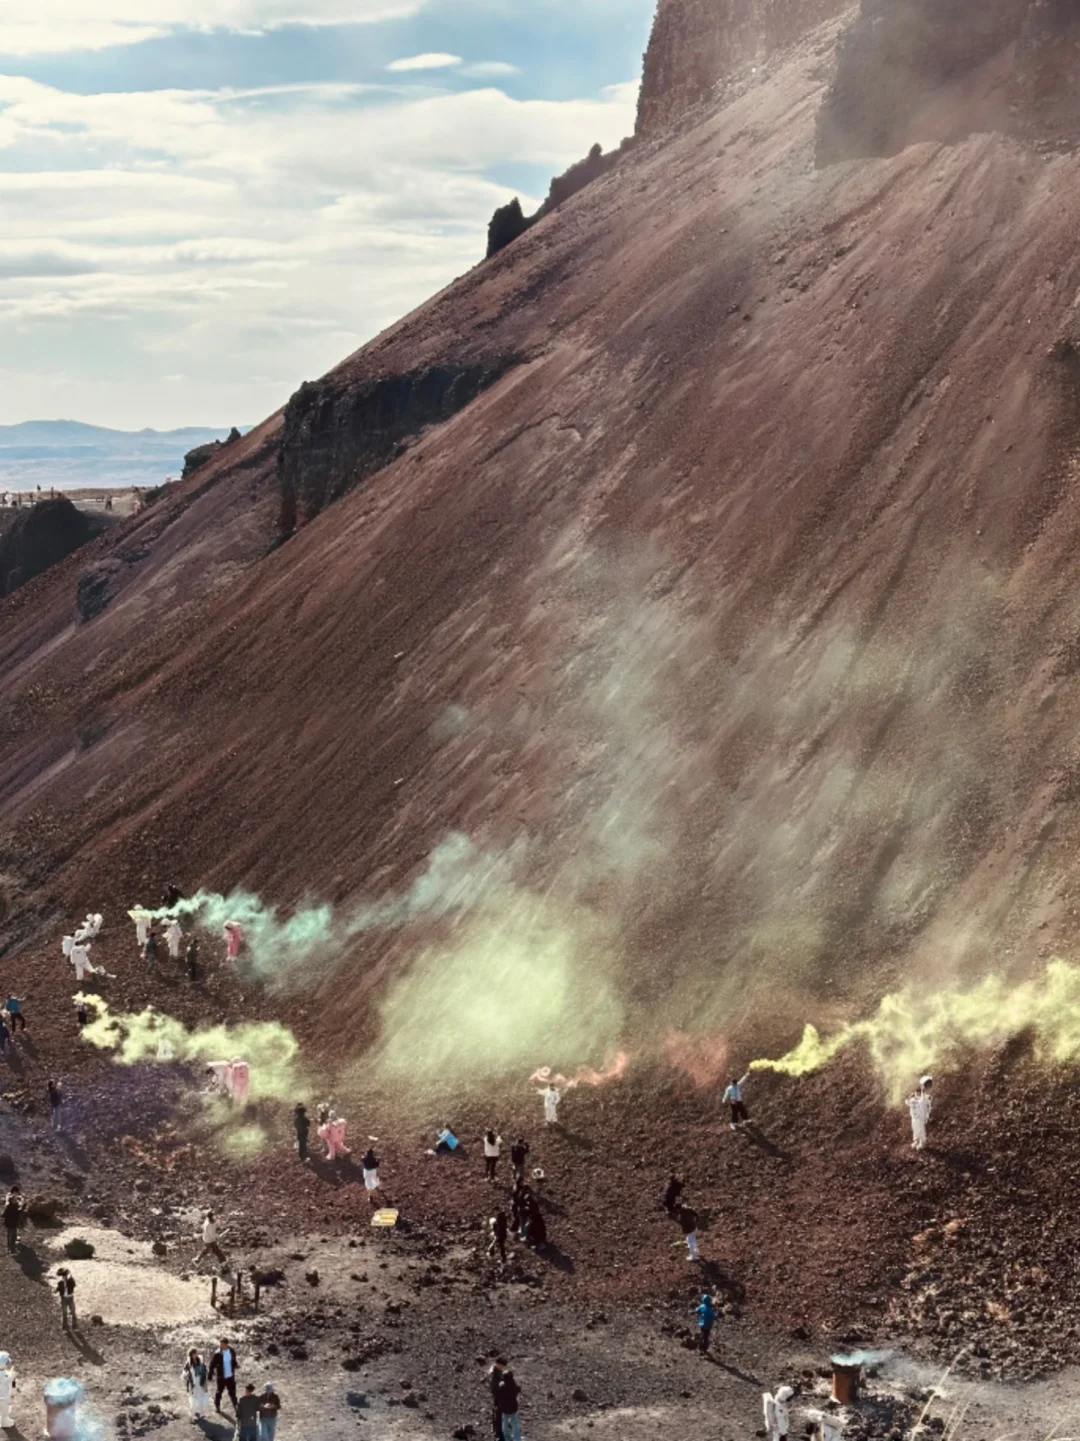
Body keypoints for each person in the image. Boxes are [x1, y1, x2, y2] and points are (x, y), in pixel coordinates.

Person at [209, 1338, 239, 1413]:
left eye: (222, 1344)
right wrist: (210, 1374)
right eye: (220, 1344)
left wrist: (236, 1365)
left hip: (230, 1376)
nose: (221, 1346)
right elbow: (212, 1364)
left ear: (226, 1344)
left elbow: (234, 1360)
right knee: (219, 1392)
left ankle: (236, 1407)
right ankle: (217, 1406)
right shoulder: (217, 1354)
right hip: (221, 1377)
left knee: (232, 1393)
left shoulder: (231, 1351)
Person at [496, 1367, 522, 1441]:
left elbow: (498, 1396)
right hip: (513, 1408)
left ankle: (507, 1438)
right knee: (515, 1425)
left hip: (504, 1408)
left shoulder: (502, 1386)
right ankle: (517, 1439)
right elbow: (518, 1389)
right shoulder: (513, 1385)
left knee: (505, 1425)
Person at [183, 1349, 210, 1419]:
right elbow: (184, 1372)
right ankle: (193, 1413)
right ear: (191, 1355)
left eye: (196, 1353)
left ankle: (200, 1412)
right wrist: (185, 1375)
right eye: (194, 1354)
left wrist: (206, 1374)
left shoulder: (200, 1360)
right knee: (193, 1397)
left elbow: (205, 1369)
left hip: (200, 1381)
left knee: (201, 1396)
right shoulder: (188, 1363)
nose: (195, 1355)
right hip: (193, 1382)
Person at [487, 1359, 506, 1441]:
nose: (502, 1367)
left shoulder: (498, 1373)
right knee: (498, 1414)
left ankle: (498, 1431)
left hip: (500, 1396)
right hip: (498, 1396)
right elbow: (494, 1387)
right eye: (501, 1365)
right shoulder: (494, 1374)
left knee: (498, 1414)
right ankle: (498, 1433)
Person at [3, 1187, 23, 1254]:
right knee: (11, 1235)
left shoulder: (14, 1204)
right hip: (11, 1222)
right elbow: (7, 1214)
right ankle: (11, 1248)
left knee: (12, 1235)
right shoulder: (10, 1205)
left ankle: (11, 1248)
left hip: (12, 1222)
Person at [0, 1351, 15, 1429]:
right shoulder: (2, 1375)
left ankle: (4, 1419)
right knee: (5, 1410)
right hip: (3, 1396)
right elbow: (9, 1379)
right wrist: (12, 1374)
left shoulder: (2, 1373)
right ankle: (4, 1422)